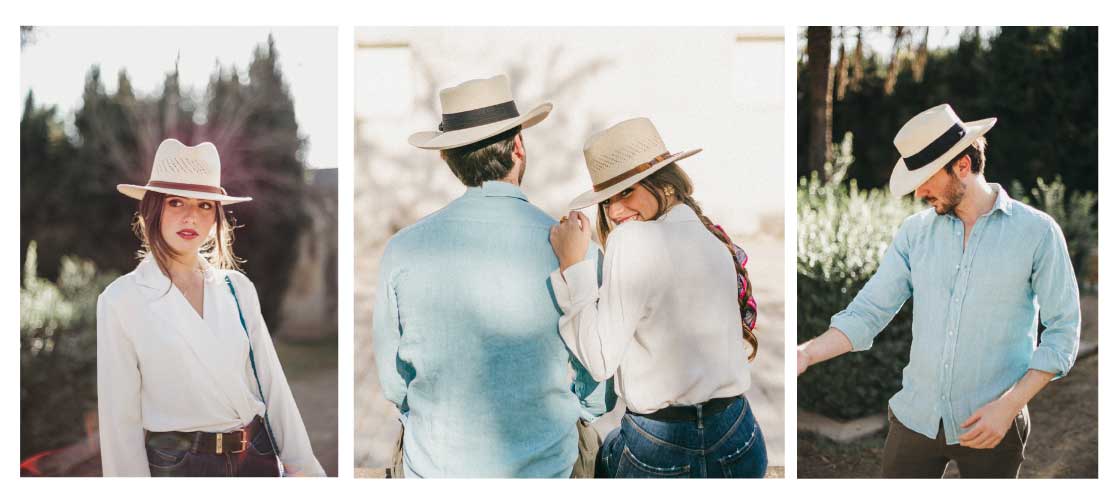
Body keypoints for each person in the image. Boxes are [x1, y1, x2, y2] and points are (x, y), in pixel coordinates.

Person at [796, 104, 1081, 478]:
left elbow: (1063, 332)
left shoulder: (1038, 233)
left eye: (926, 177)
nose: (918, 192)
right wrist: (806, 353)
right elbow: (869, 311)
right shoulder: (914, 233)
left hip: (993, 423)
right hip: (916, 419)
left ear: (962, 165)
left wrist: (1009, 406)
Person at [373, 74, 612, 478]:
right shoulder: (578, 249)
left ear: (448, 159)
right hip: (549, 470)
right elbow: (599, 394)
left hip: (434, 470)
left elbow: (394, 386)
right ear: (518, 146)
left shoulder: (402, 250)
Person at [549, 117, 766, 478]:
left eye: (626, 192)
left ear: (662, 183)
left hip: (662, 443)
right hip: (740, 436)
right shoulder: (714, 238)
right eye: (607, 201)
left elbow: (600, 360)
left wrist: (573, 266)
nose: (615, 212)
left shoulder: (631, 240)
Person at [97, 139, 324, 477]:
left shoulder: (237, 289)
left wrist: (304, 467)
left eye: (205, 205)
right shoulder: (121, 300)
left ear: (216, 217)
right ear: (152, 209)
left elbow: (272, 384)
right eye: (176, 202)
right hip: (180, 467)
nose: (191, 216)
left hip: (256, 458)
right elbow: (120, 422)